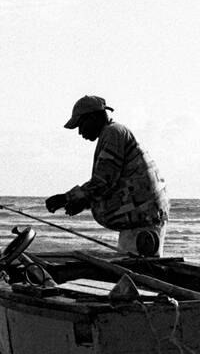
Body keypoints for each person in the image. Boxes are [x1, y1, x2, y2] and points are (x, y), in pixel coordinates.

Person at [44, 95, 169, 256]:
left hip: (143, 221)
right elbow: (113, 184)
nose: (80, 132)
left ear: (93, 117)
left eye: (81, 125)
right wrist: (84, 202)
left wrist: (66, 198)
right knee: (132, 269)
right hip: (144, 218)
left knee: (136, 272)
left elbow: (103, 182)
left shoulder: (113, 133)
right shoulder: (114, 132)